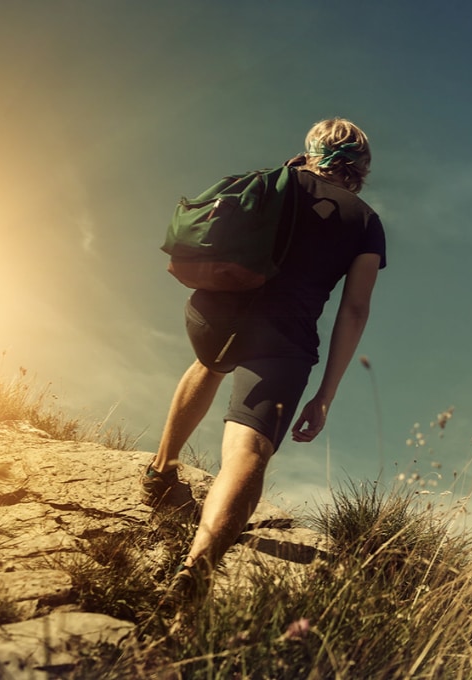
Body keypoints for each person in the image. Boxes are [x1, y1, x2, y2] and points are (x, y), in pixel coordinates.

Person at [142, 118, 386, 599]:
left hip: (214, 315)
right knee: (248, 452)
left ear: (311, 150)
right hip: (284, 341)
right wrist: (324, 395)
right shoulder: (365, 222)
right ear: (360, 166)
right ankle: (197, 567)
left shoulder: (272, 182)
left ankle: (160, 472)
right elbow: (354, 309)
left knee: (211, 364)